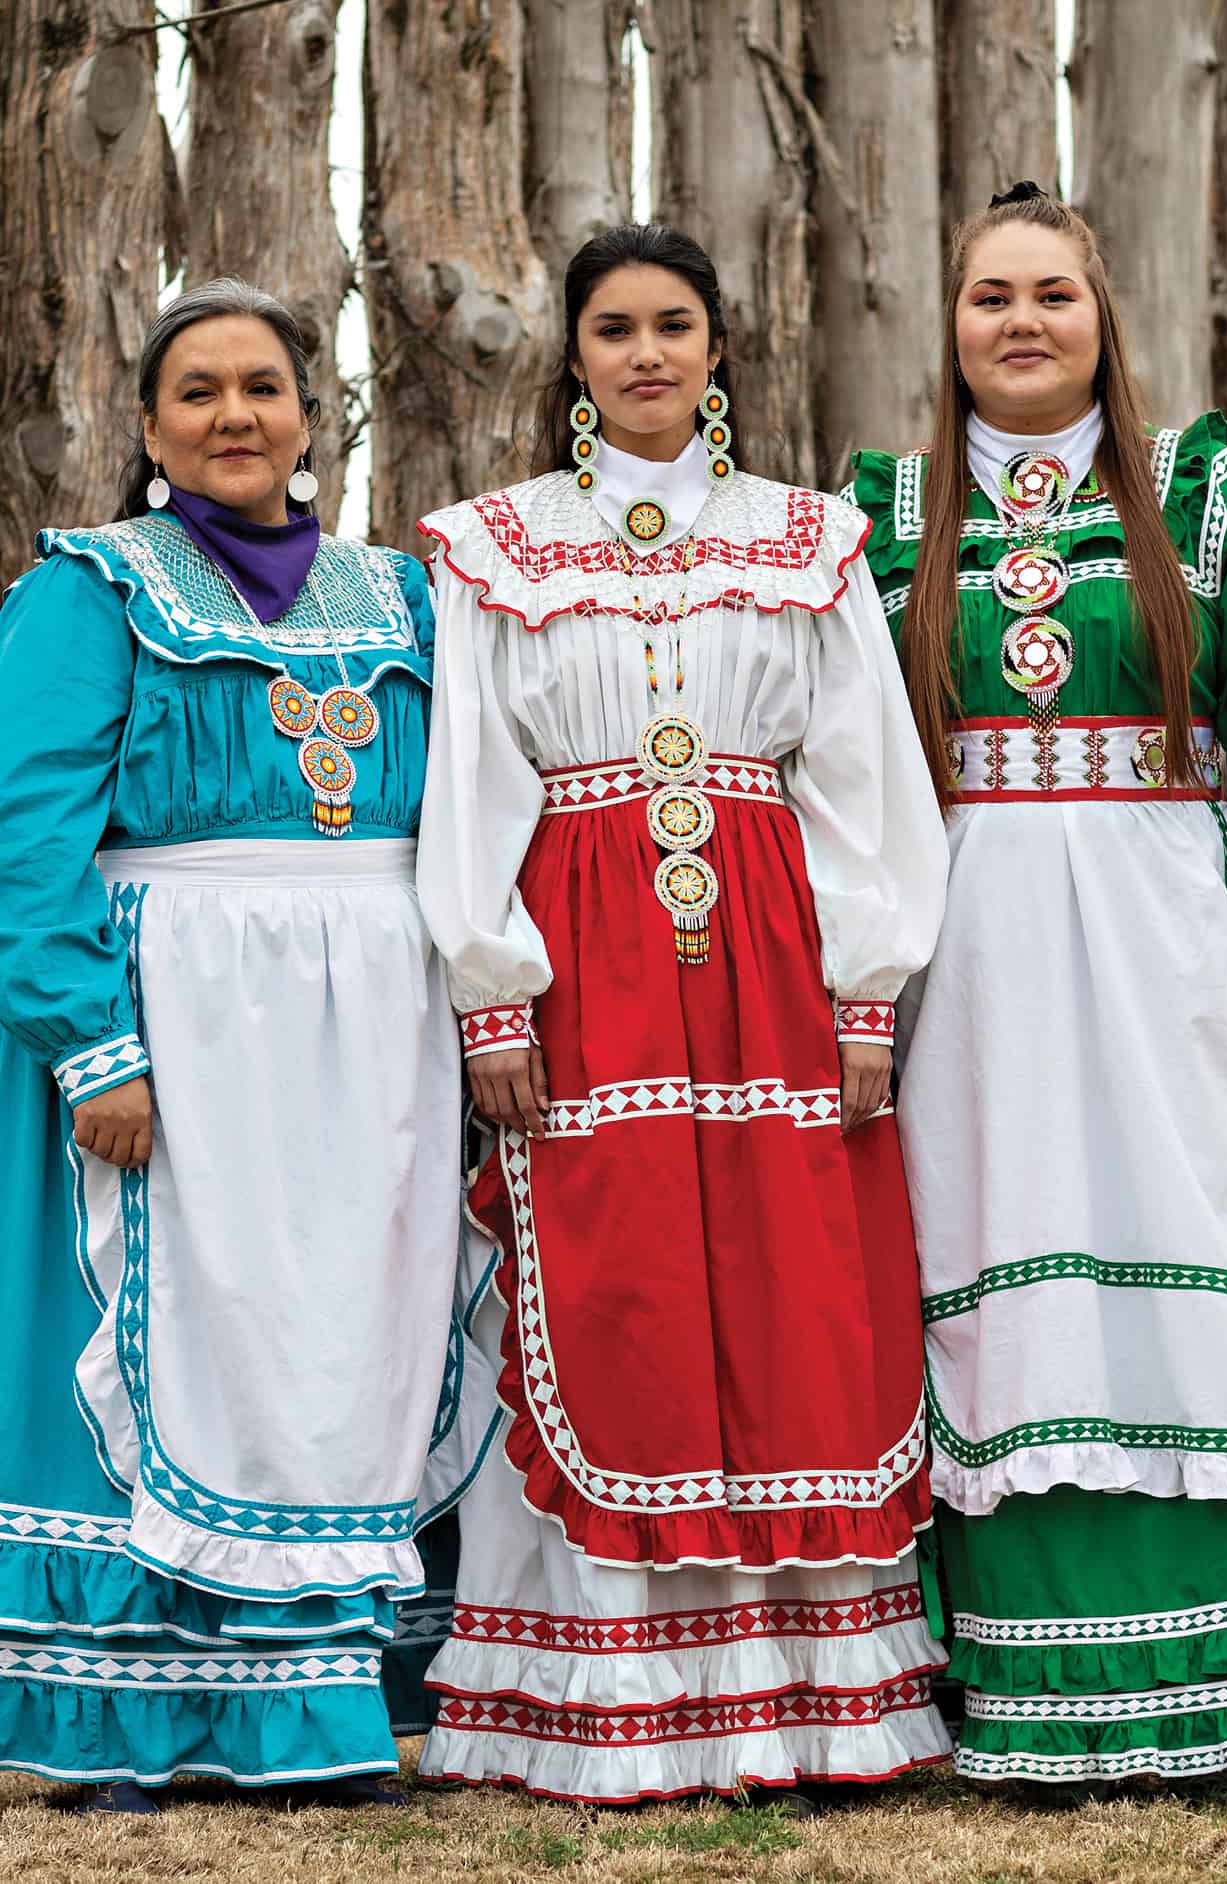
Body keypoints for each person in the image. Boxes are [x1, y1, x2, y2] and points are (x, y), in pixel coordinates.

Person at [412, 223, 952, 1804]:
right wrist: (492, 995)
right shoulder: (497, 548)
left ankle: (805, 1706)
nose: (645, 353)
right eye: (612, 329)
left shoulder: (807, 541)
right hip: (584, 955)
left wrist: (869, 991)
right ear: (572, 358)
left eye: (673, 325)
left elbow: (861, 781)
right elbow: (472, 790)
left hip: (772, 950)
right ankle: (604, 1691)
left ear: (719, 348)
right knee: (616, 1274)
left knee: (788, 1286)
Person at [0, 278, 471, 1808]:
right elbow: (30, 835)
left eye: (261, 388)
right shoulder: (88, 589)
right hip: (174, 1025)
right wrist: (93, 1049)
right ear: (146, 427)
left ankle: (323, 1707)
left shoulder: (399, 596)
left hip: (362, 1045)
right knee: (182, 1351)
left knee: (337, 1349)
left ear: (310, 417)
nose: (232, 418)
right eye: (195, 393)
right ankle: (140, 1722)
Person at [845, 181, 1227, 1789]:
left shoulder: (1209, 502)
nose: (1021, 323)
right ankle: (1021, 1686)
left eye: (1054, 296)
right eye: (988, 297)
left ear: (1105, 318)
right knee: (994, 1250)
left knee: (1180, 1237)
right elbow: (845, 775)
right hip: (971, 959)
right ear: (948, 327)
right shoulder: (887, 519)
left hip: (1163, 943)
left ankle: (1221, 1682)